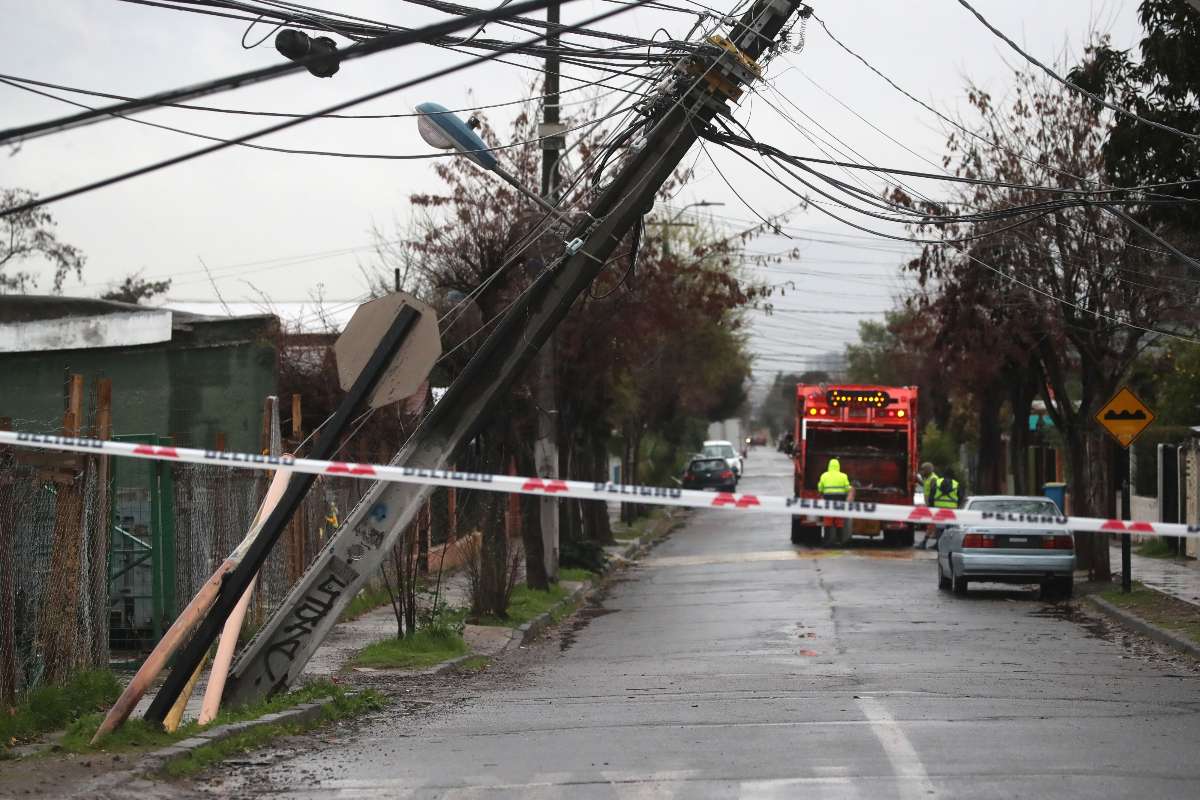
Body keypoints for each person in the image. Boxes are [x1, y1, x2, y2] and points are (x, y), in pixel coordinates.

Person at [817, 458, 853, 545]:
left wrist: (822, 492)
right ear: (838, 466)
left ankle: (827, 541)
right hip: (840, 500)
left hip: (828, 500)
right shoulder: (843, 476)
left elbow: (820, 488)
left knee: (828, 521)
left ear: (829, 466)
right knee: (839, 521)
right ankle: (839, 541)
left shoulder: (824, 475)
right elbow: (847, 488)